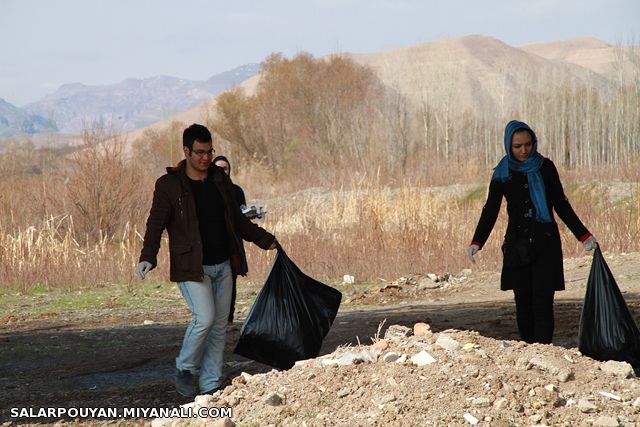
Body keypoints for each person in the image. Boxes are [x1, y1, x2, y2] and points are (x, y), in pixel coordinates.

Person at [136, 124, 276, 397]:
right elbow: (155, 224)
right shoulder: (168, 185)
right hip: (191, 266)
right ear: (186, 151)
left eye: (209, 152)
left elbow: (236, 220)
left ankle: (211, 383)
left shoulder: (219, 180)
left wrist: (265, 239)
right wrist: (147, 257)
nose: (205, 158)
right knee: (205, 318)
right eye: (199, 152)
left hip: (223, 264)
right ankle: (186, 368)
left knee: (220, 326)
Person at [467, 120, 597, 344]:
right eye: (518, 146)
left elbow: (561, 204)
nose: (524, 150)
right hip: (517, 246)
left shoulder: (546, 167)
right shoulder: (502, 173)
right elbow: (491, 209)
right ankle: (529, 349)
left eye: (528, 144)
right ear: (509, 146)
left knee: (543, 300)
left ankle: (544, 349)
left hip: (545, 243)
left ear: (534, 143)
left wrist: (584, 235)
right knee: (524, 302)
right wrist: (477, 241)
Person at [213, 155, 246, 324]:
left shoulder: (237, 191)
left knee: (231, 280)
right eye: (218, 168)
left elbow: (242, 215)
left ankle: (229, 319)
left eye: (225, 168)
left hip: (232, 242)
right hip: (212, 244)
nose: (222, 172)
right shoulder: (207, 190)